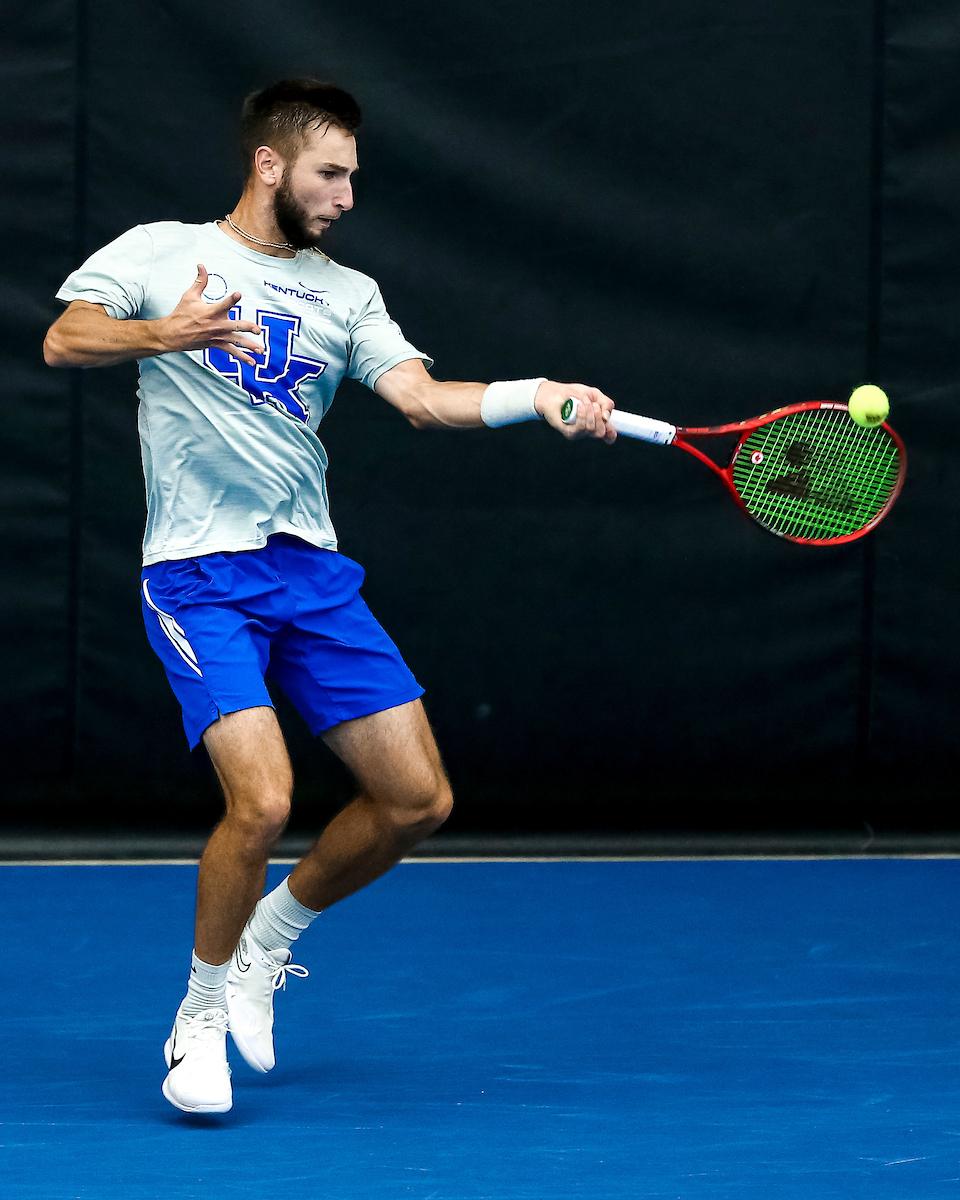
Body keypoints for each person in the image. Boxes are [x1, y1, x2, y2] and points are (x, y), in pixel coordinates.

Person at [43, 77, 617, 1115]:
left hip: (307, 571)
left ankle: (269, 943)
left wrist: (541, 396)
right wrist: (166, 334)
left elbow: (422, 401)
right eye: (330, 173)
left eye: (353, 175)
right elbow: (66, 338)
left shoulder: (345, 295)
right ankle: (199, 1017)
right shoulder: (159, 253)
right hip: (197, 574)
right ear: (270, 164)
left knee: (418, 801)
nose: (348, 194)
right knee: (261, 800)